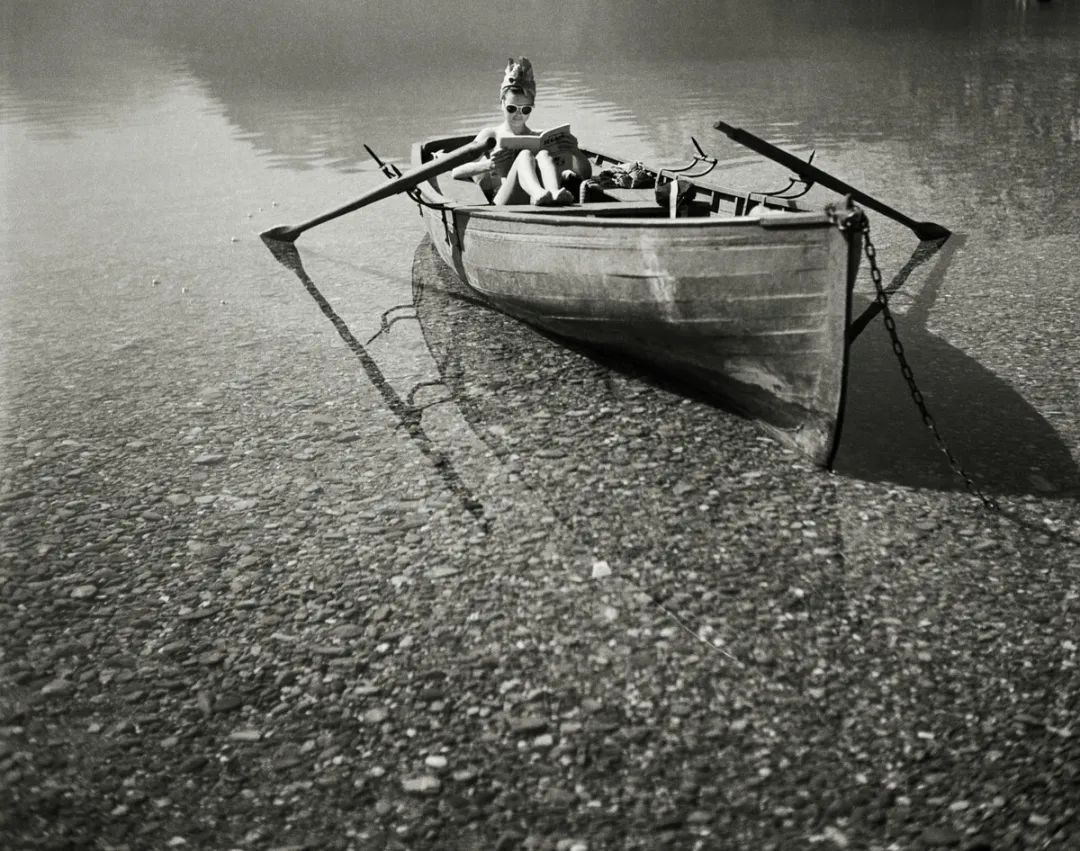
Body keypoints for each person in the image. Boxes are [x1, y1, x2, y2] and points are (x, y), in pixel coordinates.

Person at [452, 58, 591, 206]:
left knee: (543, 154)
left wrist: (575, 152)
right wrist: (489, 165)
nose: (518, 114)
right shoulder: (491, 135)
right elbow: (456, 171)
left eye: (525, 109)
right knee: (525, 154)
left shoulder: (540, 137)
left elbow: (586, 174)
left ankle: (554, 192)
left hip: (542, 198)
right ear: (502, 103)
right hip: (503, 201)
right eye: (512, 108)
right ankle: (537, 193)